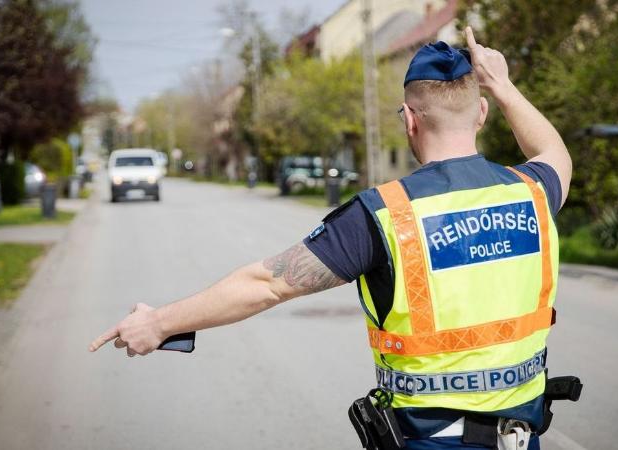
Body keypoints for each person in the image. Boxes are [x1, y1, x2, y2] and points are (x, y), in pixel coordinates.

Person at [89, 27, 572, 450]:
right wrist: (503, 84)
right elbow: (554, 151)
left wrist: (158, 323)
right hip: (521, 436)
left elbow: (266, 284)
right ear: (482, 113)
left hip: (431, 440)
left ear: (409, 118)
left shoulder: (386, 214)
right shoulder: (532, 191)